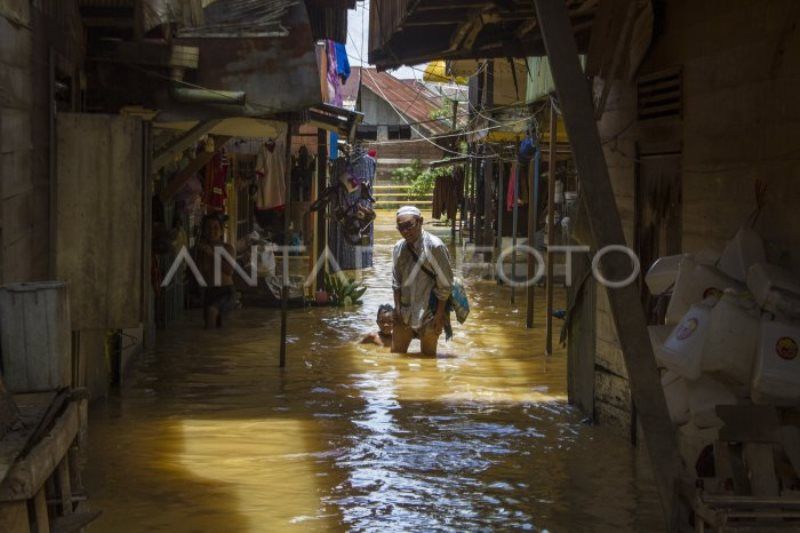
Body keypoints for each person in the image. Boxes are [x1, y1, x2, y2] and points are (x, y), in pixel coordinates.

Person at [391, 205, 453, 356]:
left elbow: (445, 285)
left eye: (409, 225)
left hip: (430, 313)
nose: (405, 231)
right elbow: (396, 281)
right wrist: (397, 308)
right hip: (405, 311)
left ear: (420, 222)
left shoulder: (434, 246)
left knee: (429, 360)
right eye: (401, 227)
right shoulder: (399, 247)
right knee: (396, 358)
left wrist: (439, 315)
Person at [195, 213, 236, 329]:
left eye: (215, 228)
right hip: (209, 292)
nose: (212, 231)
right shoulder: (202, 250)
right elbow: (201, 273)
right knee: (214, 326)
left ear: (222, 231)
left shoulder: (227, 248)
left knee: (212, 313)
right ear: (204, 231)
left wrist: (212, 254)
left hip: (226, 292)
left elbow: (229, 271)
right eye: (208, 228)